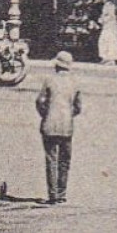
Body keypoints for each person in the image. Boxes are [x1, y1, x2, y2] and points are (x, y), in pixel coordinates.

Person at [36, 51, 82, 204]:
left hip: (49, 124)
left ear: (56, 65)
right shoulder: (74, 83)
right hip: (67, 126)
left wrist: (45, 114)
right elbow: (78, 107)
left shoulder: (49, 81)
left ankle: (53, 194)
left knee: (51, 160)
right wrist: (68, 115)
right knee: (64, 160)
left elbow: (40, 102)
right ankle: (62, 194)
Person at [97, 0, 117, 65]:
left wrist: (103, 20)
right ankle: (105, 57)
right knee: (104, 40)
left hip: (110, 25)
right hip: (107, 25)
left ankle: (110, 59)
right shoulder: (106, 5)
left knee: (110, 40)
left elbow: (111, 15)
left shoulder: (111, 5)